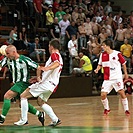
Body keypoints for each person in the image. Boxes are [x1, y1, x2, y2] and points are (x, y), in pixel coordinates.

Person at [14, 39, 63, 126]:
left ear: (51, 47)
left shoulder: (54, 55)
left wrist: (46, 68)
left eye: (48, 46)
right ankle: (55, 119)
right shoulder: (59, 56)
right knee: (40, 101)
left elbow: (57, 63)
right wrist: (37, 78)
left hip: (46, 84)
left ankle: (24, 120)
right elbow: (52, 70)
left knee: (23, 96)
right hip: (52, 85)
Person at [0, 45, 44, 125]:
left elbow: (38, 67)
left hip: (23, 83)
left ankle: (2, 118)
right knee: (22, 104)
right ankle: (40, 114)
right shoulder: (7, 59)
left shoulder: (24, 59)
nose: (7, 55)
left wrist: (38, 77)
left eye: (8, 53)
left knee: (7, 96)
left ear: (14, 52)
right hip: (16, 83)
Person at [94, 39, 130, 116]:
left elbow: (123, 63)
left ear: (108, 46)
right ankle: (107, 109)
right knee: (103, 94)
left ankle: (126, 110)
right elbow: (100, 64)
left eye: (104, 45)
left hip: (117, 77)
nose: (102, 47)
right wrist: (97, 69)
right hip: (107, 78)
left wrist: (126, 74)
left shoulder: (117, 54)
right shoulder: (102, 55)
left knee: (122, 93)